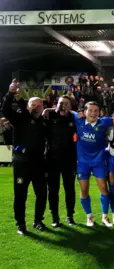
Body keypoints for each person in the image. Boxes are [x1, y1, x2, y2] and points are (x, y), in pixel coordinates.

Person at [2, 80, 48, 235]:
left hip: (39, 165)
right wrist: (10, 93)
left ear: (43, 108)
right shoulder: (20, 119)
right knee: (20, 195)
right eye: (33, 105)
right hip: (22, 164)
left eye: (39, 105)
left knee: (42, 194)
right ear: (28, 107)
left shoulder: (44, 122)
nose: (36, 107)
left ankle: (38, 221)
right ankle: (21, 225)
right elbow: (6, 110)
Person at [73, 102, 114, 227]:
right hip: (82, 162)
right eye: (90, 110)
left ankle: (105, 217)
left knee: (103, 188)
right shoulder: (78, 119)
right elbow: (65, 109)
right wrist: (47, 109)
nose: (93, 113)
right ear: (84, 112)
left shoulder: (104, 122)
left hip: (99, 161)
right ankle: (89, 216)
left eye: (96, 110)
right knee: (84, 189)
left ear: (99, 112)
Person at [44, 95, 77, 227]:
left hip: (69, 160)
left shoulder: (73, 118)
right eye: (61, 102)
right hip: (52, 159)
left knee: (70, 189)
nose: (64, 105)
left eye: (66, 103)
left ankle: (70, 216)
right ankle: (55, 217)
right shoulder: (50, 116)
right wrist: (48, 109)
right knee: (53, 189)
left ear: (70, 105)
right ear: (57, 103)